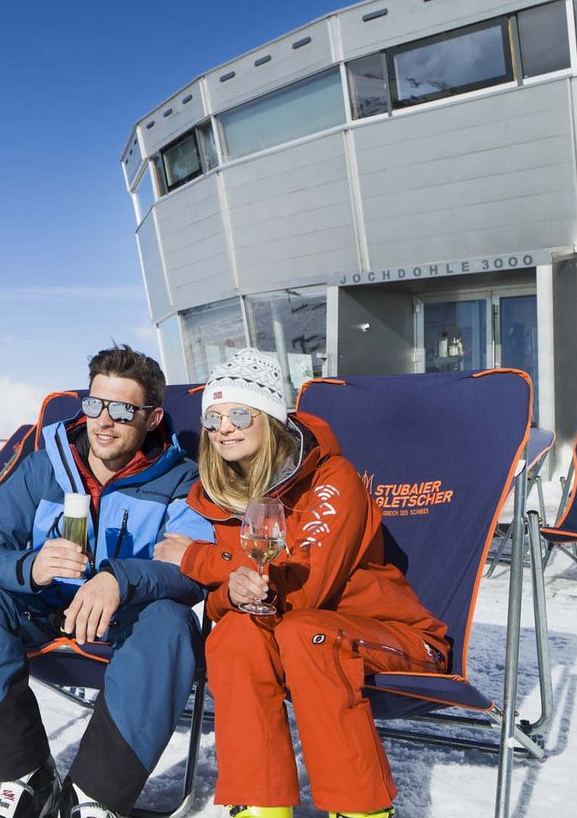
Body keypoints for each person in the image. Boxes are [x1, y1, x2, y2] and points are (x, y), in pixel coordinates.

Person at [153, 349, 449, 818]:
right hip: (297, 631)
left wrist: (198, 558)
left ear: (269, 417)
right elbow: (234, 597)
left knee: (306, 632)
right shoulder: (225, 495)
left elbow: (305, 585)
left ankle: (361, 810)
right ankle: (262, 806)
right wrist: (230, 592)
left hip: (393, 636)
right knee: (234, 635)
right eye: (212, 417)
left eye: (238, 413)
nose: (223, 427)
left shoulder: (336, 479)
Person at [0, 345, 215, 818]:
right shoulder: (43, 469)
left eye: (123, 410)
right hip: (43, 611)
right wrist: (29, 567)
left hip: (129, 621)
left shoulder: (181, 479)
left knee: (172, 622)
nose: (103, 421)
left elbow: (192, 571)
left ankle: (94, 796)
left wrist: (118, 580)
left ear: (152, 419)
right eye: (94, 405)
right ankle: (23, 778)